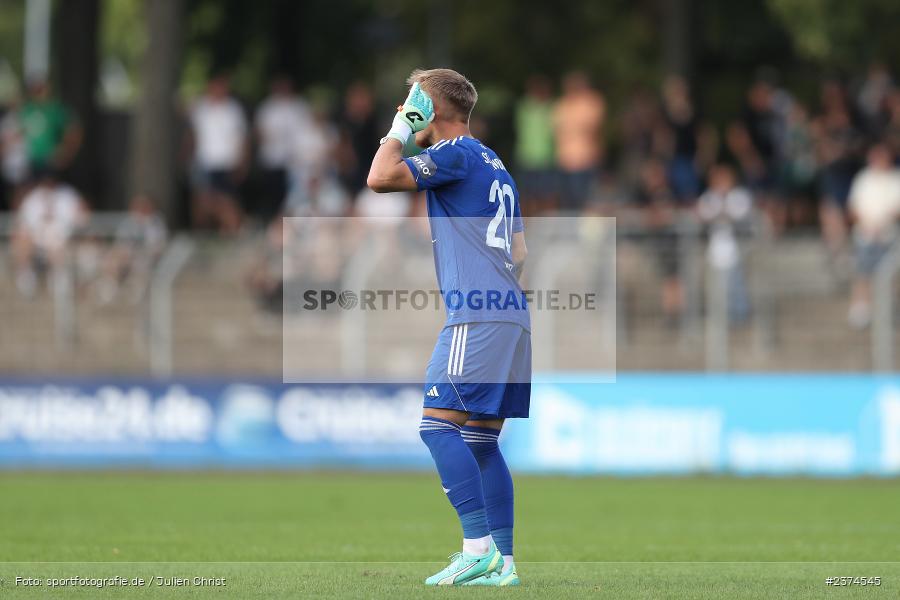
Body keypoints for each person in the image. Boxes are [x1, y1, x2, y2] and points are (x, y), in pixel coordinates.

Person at [367, 68, 529, 587]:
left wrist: (399, 132)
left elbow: (379, 178)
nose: (403, 106)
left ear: (428, 108)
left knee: (436, 425)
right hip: (512, 315)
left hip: (477, 315)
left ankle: (476, 548)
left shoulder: (456, 152)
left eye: (411, 100)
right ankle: (503, 564)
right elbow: (520, 252)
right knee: (481, 441)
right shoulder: (495, 163)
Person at [846, 143, 900, 328]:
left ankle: (891, 310)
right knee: (863, 273)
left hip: (888, 236)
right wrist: (867, 224)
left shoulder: (895, 179)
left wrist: (882, 223)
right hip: (865, 234)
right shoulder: (863, 179)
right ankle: (861, 309)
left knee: (891, 276)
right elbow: (853, 207)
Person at [10, 171, 88, 298]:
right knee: (22, 242)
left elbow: (82, 218)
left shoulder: (67, 194)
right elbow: (22, 222)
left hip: (62, 240)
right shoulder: (32, 198)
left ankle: (59, 284)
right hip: (37, 240)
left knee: (60, 248)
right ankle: (27, 280)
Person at [186, 74, 248, 233]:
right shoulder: (201, 108)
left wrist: (242, 161)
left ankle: (231, 228)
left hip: (227, 162)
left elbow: (242, 138)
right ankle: (203, 230)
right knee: (203, 198)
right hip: (205, 161)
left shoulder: (234, 109)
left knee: (226, 199)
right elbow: (193, 134)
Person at [254, 76, 312, 221]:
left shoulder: (299, 106)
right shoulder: (267, 108)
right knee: (273, 195)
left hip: (295, 161)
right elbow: (260, 133)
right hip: (272, 160)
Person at [552, 71, 606, 209]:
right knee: (567, 201)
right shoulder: (561, 105)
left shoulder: (592, 102)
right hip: (564, 160)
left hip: (585, 159)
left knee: (585, 200)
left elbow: (596, 131)